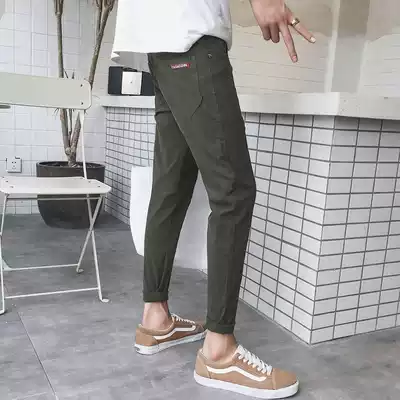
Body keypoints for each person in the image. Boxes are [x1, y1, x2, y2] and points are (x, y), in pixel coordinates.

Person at [112, 0, 315, 398]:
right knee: (233, 192)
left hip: (160, 42)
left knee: (171, 188)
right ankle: (219, 351)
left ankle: (155, 318)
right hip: (190, 34)